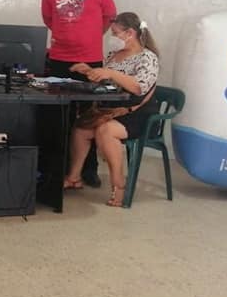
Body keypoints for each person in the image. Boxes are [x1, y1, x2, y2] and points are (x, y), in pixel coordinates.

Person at [63, 12, 160, 208]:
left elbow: (138, 87)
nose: (112, 37)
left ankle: (119, 185)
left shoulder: (147, 57)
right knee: (81, 128)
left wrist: (110, 73)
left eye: (115, 33)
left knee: (105, 131)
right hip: (113, 108)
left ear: (130, 33)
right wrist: (89, 71)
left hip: (137, 112)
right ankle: (74, 177)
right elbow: (108, 83)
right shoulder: (114, 55)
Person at [41, 0, 117, 187]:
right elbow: (48, 18)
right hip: (59, 58)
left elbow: (109, 15)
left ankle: (89, 169)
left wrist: (92, 35)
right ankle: (59, 167)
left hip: (90, 59)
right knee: (58, 115)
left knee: (89, 116)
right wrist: (67, 35)